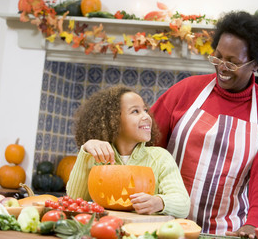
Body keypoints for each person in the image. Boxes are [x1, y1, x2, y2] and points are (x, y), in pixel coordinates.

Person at [151, 11, 258, 237]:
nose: (222, 67)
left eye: (233, 63)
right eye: (218, 57)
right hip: (166, 223)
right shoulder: (187, 90)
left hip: (225, 231)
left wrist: (253, 223)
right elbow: (146, 142)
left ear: (256, 64)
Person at [66, 86, 190, 218]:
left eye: (145, 110)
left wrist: (160, 202)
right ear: (112, 121)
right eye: (135, 111)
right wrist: (85, 151)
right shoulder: (96, 156)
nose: (146, 116)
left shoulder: (160, 157)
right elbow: (74, 199)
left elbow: (183, 205)